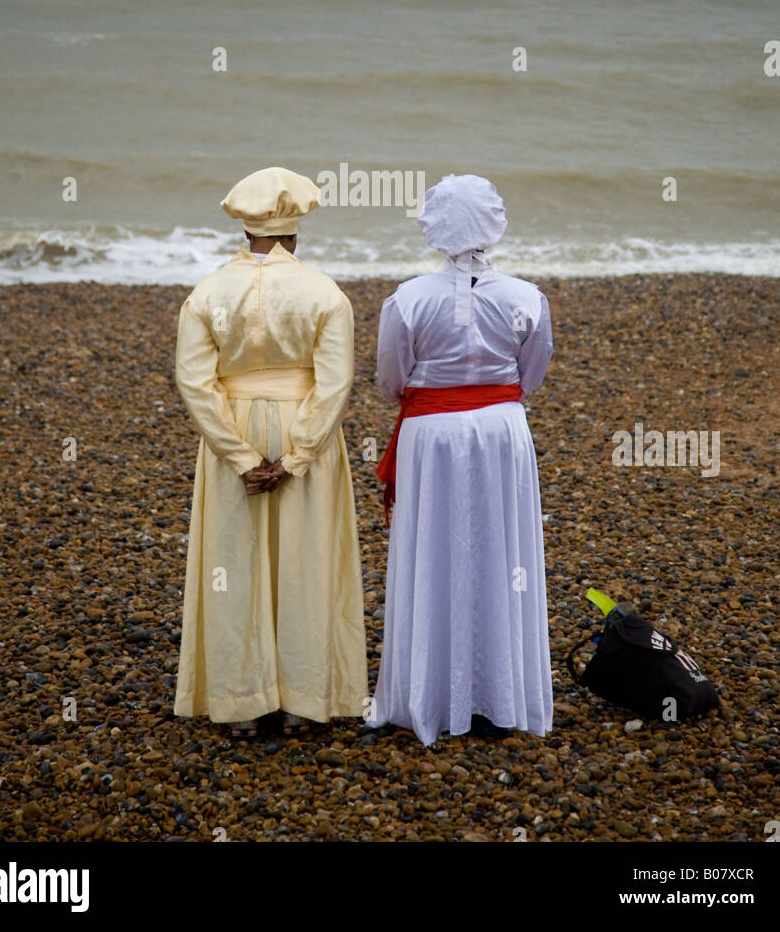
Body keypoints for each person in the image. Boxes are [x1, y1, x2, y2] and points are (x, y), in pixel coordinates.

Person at [173, 166, 368, 737]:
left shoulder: (206, 292)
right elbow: (334, 384)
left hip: (232, 426)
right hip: (304, 428)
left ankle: (241, 703)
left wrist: (238, 455)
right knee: (307, 562)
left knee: (232, 565)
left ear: (247, 227)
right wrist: (297, 456)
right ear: (296, 229)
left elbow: (194, 383)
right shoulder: (326, 294)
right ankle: (306, 699)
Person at [366, 173, 554, 746]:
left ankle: (433, 692)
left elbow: (388, 383)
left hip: (432, 433)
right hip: (501, 431)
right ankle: (498, 698)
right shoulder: (527, 297)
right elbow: (532, 376)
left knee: (435, 548)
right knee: (500, 549)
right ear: (493, 226)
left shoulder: (407, 300)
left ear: (433, 228)